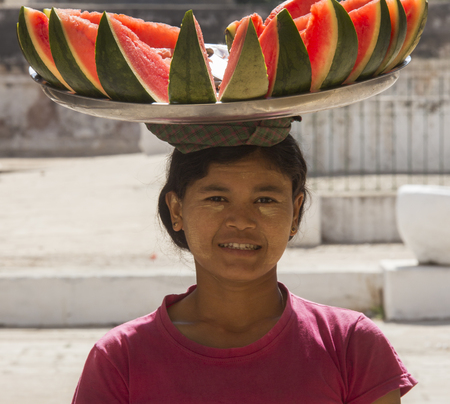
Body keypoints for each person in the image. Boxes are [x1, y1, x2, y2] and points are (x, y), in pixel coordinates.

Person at [71, 122, 417, 403]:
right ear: (177, 210)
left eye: (264, 199)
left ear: (295, 213)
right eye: (217, 198)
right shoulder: (120, 359)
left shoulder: (351, 345)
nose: (241, 220)